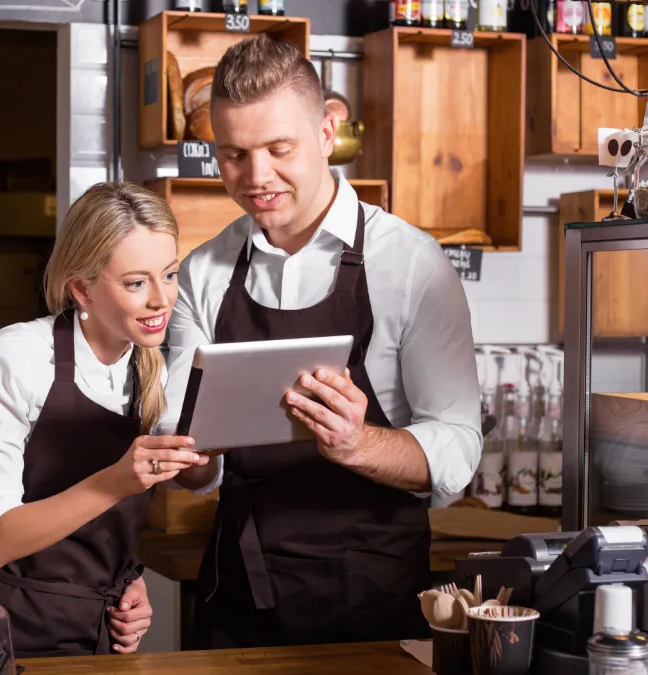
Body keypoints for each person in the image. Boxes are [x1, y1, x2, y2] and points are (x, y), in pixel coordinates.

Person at [166, 35, 483, 649]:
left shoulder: (413, 266)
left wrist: (358, 443)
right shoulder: (203, 272)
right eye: (233, 155)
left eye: (278, 148)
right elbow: (195, 468)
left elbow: (457, 453)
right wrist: (189, 458)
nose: (257, 178)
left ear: (327, 131)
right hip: (239, 596)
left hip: (371, 603)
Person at [0, 182, 209, 658]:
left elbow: (100, 533)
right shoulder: (16, 355)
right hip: (1, 631)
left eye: (169, 275)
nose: (161, 300)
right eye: (135, 282)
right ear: (82, 289)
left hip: (94, 633)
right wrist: (114, 482)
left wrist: (129, 583)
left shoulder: (148, 365)